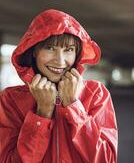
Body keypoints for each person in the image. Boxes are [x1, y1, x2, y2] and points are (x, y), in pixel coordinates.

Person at [0, 9, 118, 163]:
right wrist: (41, 113)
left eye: (68, 50)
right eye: (50, 48)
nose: (60, 61)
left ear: (77, 54)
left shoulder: (96, 94)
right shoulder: (11, 99)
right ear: (34, 51)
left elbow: (106, 160)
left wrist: (73, 106)